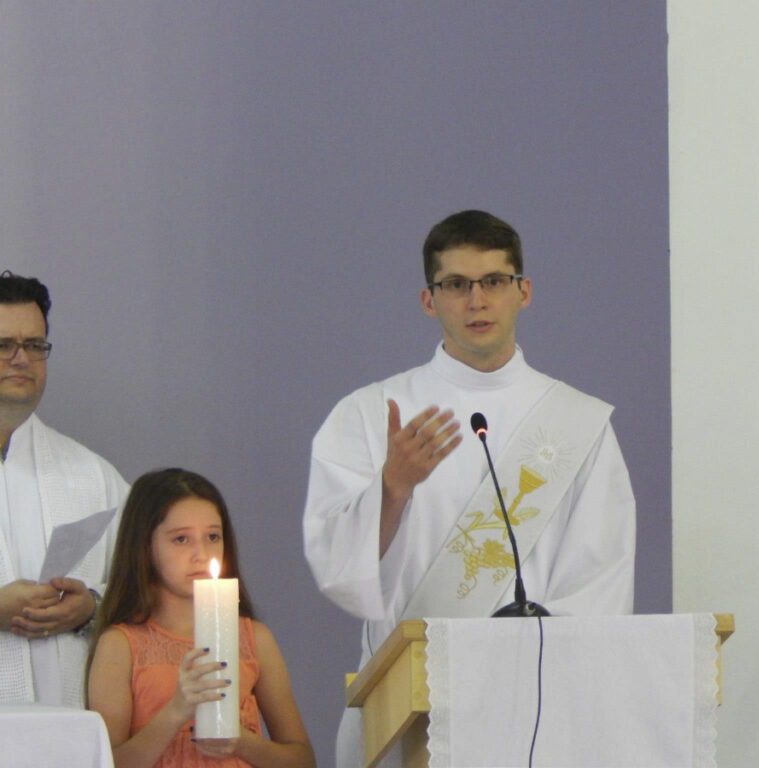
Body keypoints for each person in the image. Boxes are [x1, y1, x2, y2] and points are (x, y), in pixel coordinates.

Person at [303, 209, 636, 767]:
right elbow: (335, 566)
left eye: (494, 281)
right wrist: (392, 489)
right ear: (428, 301)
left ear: (523, 292)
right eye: (456, 284)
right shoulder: (369, 414)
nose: (476, 300)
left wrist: (527, 667)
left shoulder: (580, 424)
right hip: (409, 707)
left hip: (534, 705)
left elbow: (602, 577)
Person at [87, 469, 314, 768]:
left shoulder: (254, 639)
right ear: (144, 546)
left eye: (213, 537)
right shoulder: (120, 645)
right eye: (181, 539)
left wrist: (242, 742)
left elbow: (302, 760)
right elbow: (105, 762)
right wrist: (175, 712)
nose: (202, 554)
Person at [0, 271, 128, 707]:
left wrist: (91, 607)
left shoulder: (92, 475)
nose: (21, 359)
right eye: (4, 345)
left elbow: (145, 583)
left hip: (70, 723)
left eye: (35, 345)